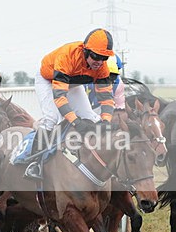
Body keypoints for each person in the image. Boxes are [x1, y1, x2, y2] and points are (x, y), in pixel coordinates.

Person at [25, 28, 116, 178]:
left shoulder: (102, 68)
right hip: (48, 80)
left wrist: (106, 120)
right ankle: (34, 163)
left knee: (92, 118)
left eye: (104, 58)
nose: (99, 62)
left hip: (72, 83)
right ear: (86, 51)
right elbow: (60, 97)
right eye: (96, 56)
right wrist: (75, 122)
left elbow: (106, 98)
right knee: (51, 118)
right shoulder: (67, 56)